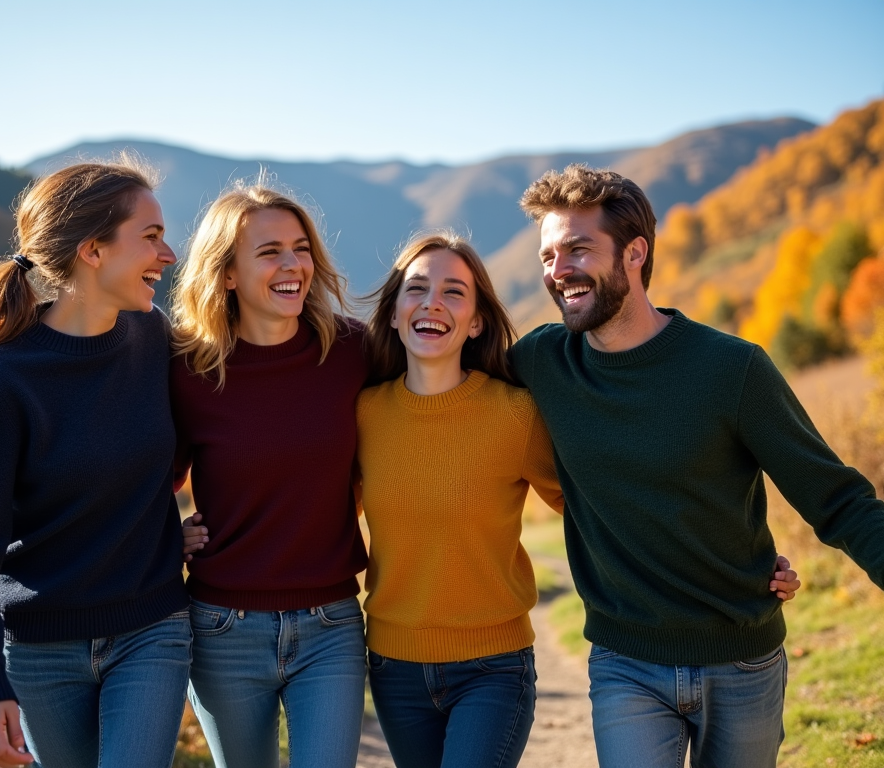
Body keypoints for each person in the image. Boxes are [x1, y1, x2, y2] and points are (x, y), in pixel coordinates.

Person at [509, 164, 884, 767]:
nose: (558, 271)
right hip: (624, 661)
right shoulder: (541, 362)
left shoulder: (731, 371)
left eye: (578, 249)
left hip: (743, 660)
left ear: (635, 253)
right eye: (548, 255)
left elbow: (837, 500)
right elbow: (451, 389)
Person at [0, 161, 191, 768]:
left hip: (151, 627)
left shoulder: (154, 339)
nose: (169, 254)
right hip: (39, 651)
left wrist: (189, 526)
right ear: (93, 250)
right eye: (150, 236)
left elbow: (205, 435)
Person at [168, 183, 368, 768]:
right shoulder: (189, 369)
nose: (293, 265)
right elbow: (143, 473)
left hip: (331, 623)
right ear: (227, 273)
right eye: (270, 251)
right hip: (223, 628)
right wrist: (161, 533)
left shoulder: (353, 352)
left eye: (301, 248)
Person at [356, 231, 563, 767]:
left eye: (453, 292)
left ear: (476, 322)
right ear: (397, 312)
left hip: (493, 667)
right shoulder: (364, 414)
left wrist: (725, 556)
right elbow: (315, 511)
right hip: (393, 667)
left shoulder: (515, 414)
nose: (431, 303)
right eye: (417, 288)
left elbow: (594, 508)